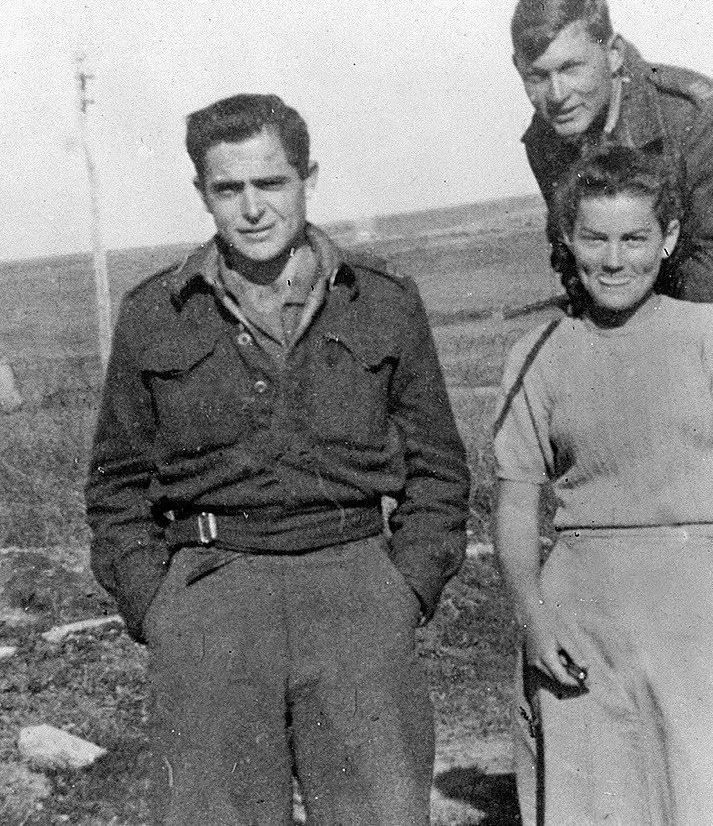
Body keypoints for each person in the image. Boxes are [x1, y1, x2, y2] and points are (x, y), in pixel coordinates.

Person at [85, 93, 469, 826]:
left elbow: (439, 471)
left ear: (308, 179)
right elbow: (117, 486)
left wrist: (403, 590)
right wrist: (159, 608)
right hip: (211, 601)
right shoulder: (153, 314)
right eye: (229, 189)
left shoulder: (383, 303)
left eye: (272, 183)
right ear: (203, 194)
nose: (252, 209)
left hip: (355, 593)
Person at [493, 145, 713, 826]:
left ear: (670, 239)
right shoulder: (538, 353)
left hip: (706, 622)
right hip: (585, 624)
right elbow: (512, 508)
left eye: (635, 238)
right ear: (568, 239)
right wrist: (534, 615)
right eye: (594, 238)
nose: (613, 259)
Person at [511, 0, 713, 462]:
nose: (557, 94)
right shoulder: (546, 142)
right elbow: (573, 248)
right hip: (641, 311)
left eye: (571, 68)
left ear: (611, 54)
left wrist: (639, 348)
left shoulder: (704, 117)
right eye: (537, 77)